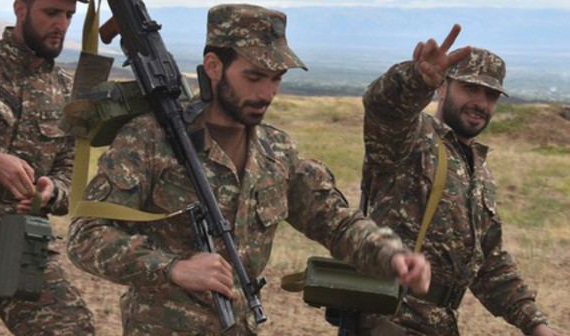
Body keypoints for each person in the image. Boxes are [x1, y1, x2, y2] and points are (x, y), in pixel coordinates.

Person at [67, 3, 431, 335]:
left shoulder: (277, 151)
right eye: (254, 77)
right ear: (214, 67)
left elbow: (335, 221)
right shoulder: (150, 138)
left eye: (277, 79)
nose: (267, 93)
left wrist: (392, 254)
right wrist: (172, 267)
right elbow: (86, 235)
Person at [359, 24, 561, 336]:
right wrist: (414, 81)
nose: (481, 103)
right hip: (390, 319)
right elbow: (382, 108)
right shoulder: (410, 139)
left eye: (491, 95)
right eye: (470, 88)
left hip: (439, 325)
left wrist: (535, 323)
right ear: (442, 88)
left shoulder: (477, 170)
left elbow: (489, 262)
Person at [0, 0, 94, 334]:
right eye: (51, 12)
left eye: (69, 15)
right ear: (20, 8)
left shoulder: (68, 92)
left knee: (73, 328)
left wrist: (53, 191)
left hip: (25, 245)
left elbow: (73, 174)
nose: (62, 24)